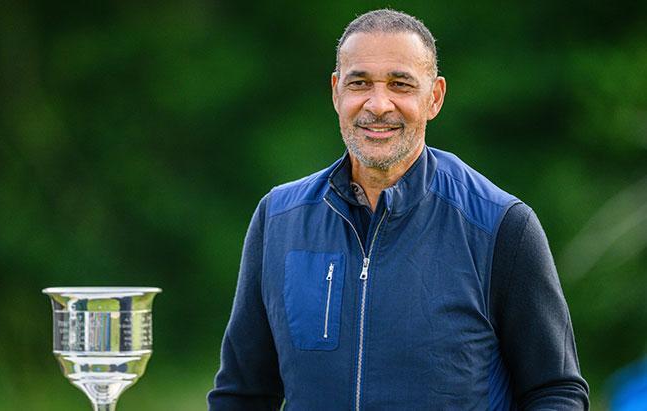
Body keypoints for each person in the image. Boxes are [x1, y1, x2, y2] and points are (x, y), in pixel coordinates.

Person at [208, 9, 589, 410]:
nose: (378, 104)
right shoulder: (278, 220)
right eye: (359, 83)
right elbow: (242, 394)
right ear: (336, 92)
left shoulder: (502, 226)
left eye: (400, 84)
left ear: (434, 97)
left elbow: (556, 392)